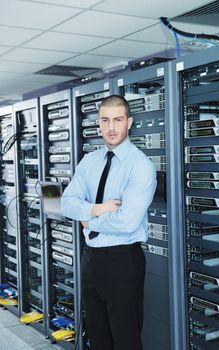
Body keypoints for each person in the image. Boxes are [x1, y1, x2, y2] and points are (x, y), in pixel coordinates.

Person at [61, 95, 157, 350]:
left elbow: (127, 222)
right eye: (105, 120)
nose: (111, 127)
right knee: (98, 336)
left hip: (122, 261)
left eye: (118, 120)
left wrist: (89, 222)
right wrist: (98, 208)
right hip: (91, 259)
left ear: (129, 122)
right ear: (99, 124)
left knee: (125, 339)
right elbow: (67, 203)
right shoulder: (90, 161)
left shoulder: (140, 166)